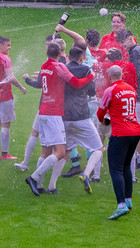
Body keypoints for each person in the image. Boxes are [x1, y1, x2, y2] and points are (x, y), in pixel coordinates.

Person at [23, 42, 94, 196]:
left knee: (45, 152)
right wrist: (90, 77)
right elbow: (76, 83)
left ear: (47, 53)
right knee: (61, 152)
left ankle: (40, 185)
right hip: (54, 113)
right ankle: (34, 178)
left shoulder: (44, 66)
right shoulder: (59, 66)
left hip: (43, 111)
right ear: (61, 54)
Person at [96, 65, 140, 220]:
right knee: (126, 166)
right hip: (135, 132)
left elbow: (100, 112)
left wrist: (104, 121)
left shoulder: (110, 90)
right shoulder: (131, 90)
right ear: (122, 75)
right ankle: (128, 201)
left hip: (120, 133)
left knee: (115, 169)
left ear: (109, 77)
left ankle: (121, 205)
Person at [60, 45, 103, 192]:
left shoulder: (63, 69)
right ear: (81, 58)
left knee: (64, 151)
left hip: (65, 116)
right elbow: (91, 91)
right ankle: (86, 174)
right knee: (98, 148)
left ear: (68, 57)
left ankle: (49, 183)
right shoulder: (85, 70)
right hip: (82, 115)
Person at [0, 37, 27, 160]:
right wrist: (21, 87)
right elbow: (10, 77)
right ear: (0, 45)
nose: (10, 48)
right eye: (8, 45)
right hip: (5, 95)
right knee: (5, 124)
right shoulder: (5, 58)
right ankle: (4, 154)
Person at [119, 29, 140, 173]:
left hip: (139, 96)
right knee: (138, 125)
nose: (122, 45)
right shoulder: (136, 51)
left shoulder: (136, 52)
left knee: (139, 127)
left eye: (123, 41)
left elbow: (135, 74)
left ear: (130, 38)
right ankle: (139, 159)